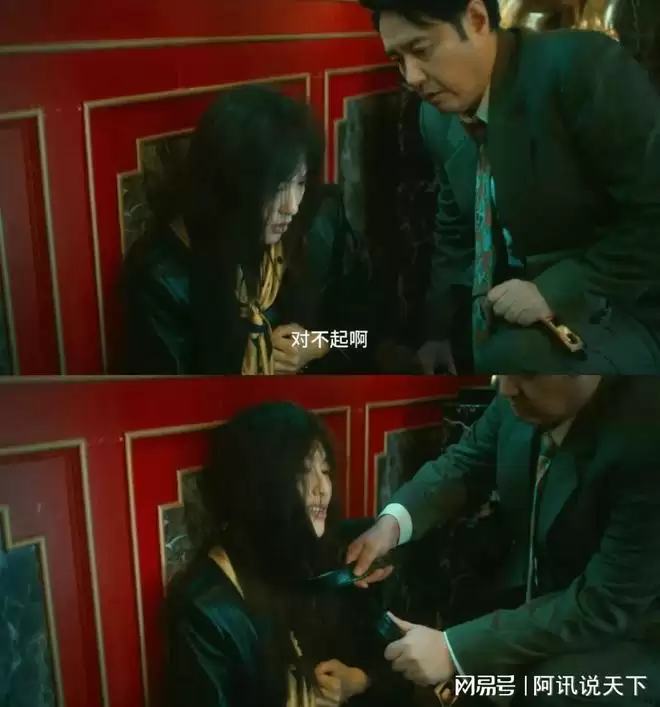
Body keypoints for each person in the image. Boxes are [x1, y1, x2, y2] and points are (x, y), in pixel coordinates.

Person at [359, 0, 660, 374]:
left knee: (513, 358)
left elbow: (652, 212)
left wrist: (554, 291)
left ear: (477, 19)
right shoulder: (435, 117)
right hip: (505, 307)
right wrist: (437, 332)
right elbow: (455, 231)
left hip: (622, 300)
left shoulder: (581, 67)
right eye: (398, 60)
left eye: (421, 50)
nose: (413, 77)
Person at [346, 376, 660, 705]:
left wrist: (453, 650)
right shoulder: (516, 402)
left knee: (545, 689)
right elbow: (463, 465)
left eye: (526, 373)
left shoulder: (645, 437)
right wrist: (391, 526)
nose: (506, 388)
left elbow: (604, 604)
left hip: (636, 631)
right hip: (546, 605)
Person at [163, 401, 412, 707]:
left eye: (325, 470)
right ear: (260, 484)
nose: (322, 488)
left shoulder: (325, 556)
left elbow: (404, 669)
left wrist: (359, 680)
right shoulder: (207, 607)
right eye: (302, 473)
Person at [122, 86, 368, 375]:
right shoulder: (162, 276)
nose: (291, 207)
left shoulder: (319, 222)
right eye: (276, 189)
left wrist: (318, 344)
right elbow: (172, 391)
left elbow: (366, 335)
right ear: (229, 186)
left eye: (300, 183)